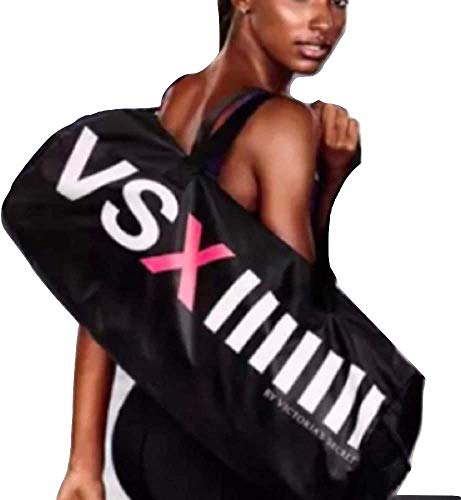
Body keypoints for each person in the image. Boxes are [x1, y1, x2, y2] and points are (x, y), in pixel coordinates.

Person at [56, 0, 360, 499]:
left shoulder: (180, 97)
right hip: (224, 451)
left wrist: (84, 463)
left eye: (340, 0)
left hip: (142, 433)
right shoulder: (284, 124)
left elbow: (110, 280)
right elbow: (299, 331)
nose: (325, 20)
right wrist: (329, 182)